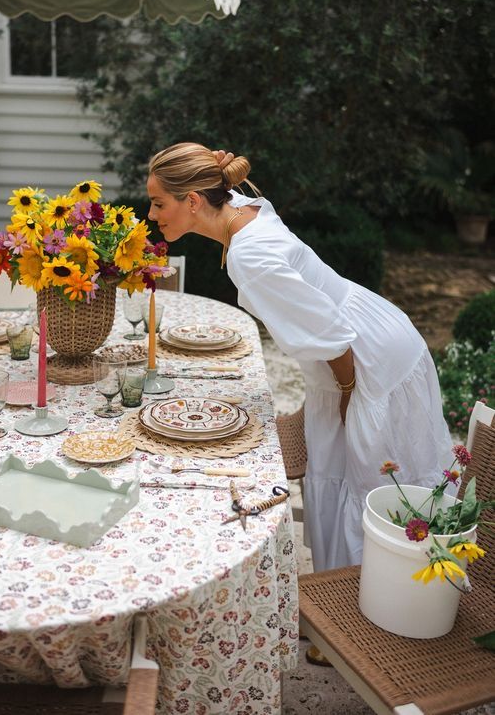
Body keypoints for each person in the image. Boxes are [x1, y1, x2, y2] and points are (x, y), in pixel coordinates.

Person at [147, 142, 454, 573]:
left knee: (373, 486)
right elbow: (227, 192)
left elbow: (332, 339)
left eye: (158, 203)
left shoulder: (248, 254)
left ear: (193, 201)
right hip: (375, 330)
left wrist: (348, 393)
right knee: (354, 476)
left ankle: (376, 593)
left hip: (365, 360)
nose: (152, 214)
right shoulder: (243, 208)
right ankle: (378, 588)